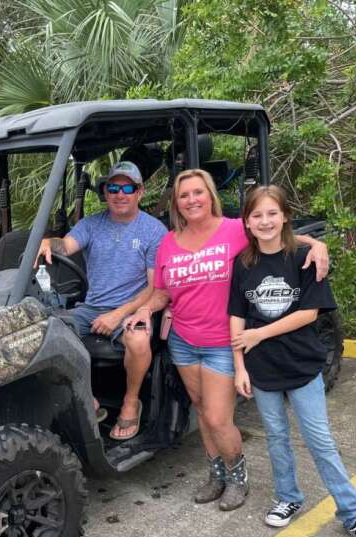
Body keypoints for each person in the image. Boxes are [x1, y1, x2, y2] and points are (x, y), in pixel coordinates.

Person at [125, 169, 329, 511]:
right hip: (184, 341)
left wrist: (318, 245)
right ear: (177, 202)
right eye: (184, 195)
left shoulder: (234, 229)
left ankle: (237, 476)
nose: (192, 200)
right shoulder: (168, 242)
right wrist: (146, 310)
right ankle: (216, 474)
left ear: (210, 196)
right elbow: (162, 292)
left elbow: (276, 235)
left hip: (224, 341)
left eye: (198, 193)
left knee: (219, 418)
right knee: (203, 412)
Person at [229, 185, 356, 537]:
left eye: (272, 213)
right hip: (262, 369)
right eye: (257, 216)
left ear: (285, 216)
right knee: (276, 438)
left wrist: (260, 333)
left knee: (321, 443)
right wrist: (240, 366)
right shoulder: (243, 264)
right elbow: (236, 316)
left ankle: (353, 515)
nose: (265, 221)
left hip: (302, 366)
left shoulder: (304, 257)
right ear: (247, 223)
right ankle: (288, 496)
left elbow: (309, 313)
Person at [36, 161, 166, 440]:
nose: (120, 194)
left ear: (140, 192)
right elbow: (66, 246)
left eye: (128, 187)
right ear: (105, 192)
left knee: (139, 340)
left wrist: (117, 315)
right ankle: (87, 400)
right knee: (44, 333)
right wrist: (48, 242)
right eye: (113, 188)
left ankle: (131, 401)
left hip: (134, 306)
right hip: (91, 307)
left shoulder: (153, 231)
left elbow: (154, 288)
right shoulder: (91, 224)